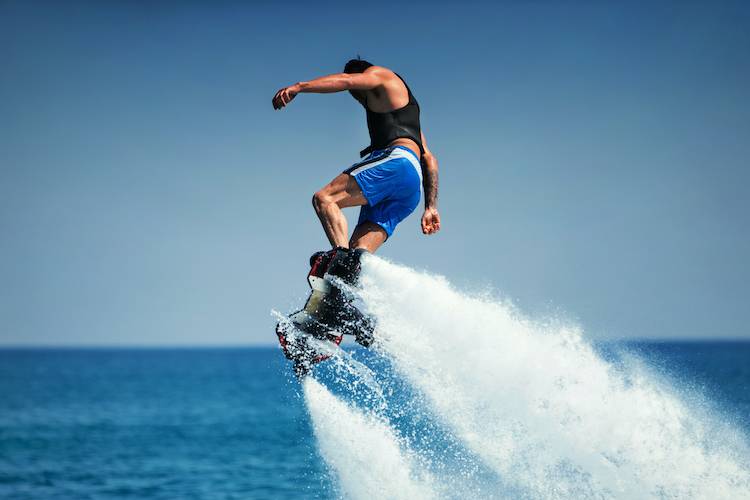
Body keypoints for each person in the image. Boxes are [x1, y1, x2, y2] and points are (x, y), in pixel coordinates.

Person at [272, 59, 441, 255]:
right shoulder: (408, 117)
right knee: (358, 252)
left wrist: (298, 87)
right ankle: (352, 279)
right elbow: (429, 159)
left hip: (395, 163)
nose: (355, 97)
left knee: (325, 199)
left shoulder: (379, 74)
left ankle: (340, 262)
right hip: (410, 185)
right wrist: (431, 207)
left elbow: (346, 80)